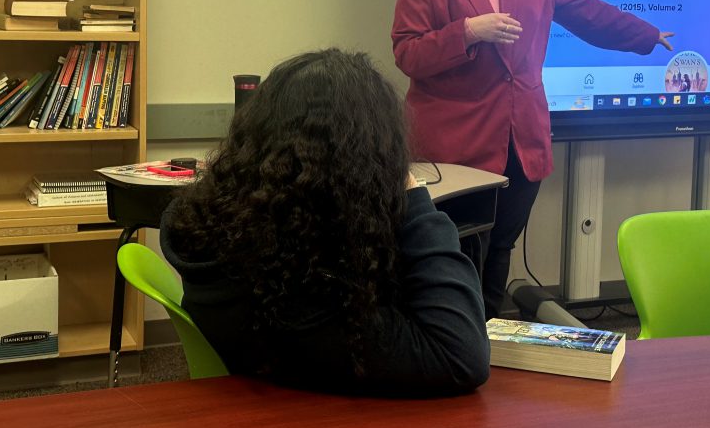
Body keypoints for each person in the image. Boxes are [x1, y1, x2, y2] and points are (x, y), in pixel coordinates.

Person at [392, 0, 674, 319]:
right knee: (459, 249)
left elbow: (584, 9)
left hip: (520, 137)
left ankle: (487, 335)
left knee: (501, 243)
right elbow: (407, 53)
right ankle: (456, 334)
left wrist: (644, 35)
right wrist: (467, 31)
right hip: (455, 144)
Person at [159, 48, 490, 397]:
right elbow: (460, 355)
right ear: (361, 166)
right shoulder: (304, 299)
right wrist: (412, 196)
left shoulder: (232, 232)